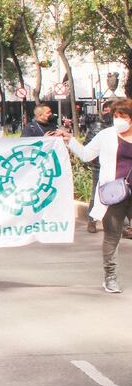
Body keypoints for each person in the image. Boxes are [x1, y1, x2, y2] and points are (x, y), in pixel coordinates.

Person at [61, 99, 132, 293]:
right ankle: (110, 277)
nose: (119, 120)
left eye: (123, 116)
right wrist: (69, 141)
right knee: (112, 236)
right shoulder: (106, 135)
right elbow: (86, 154)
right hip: (114, 193)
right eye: (116, 116)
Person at [84, 102, 113, 233]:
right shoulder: (96, 126)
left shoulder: (120, 126)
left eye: (110, 110)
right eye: (105, 110)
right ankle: (92, 220)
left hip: (117, 165)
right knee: (96, 193)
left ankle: (123, 225)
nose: (108, 113)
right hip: (99, 166)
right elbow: (87, 145)